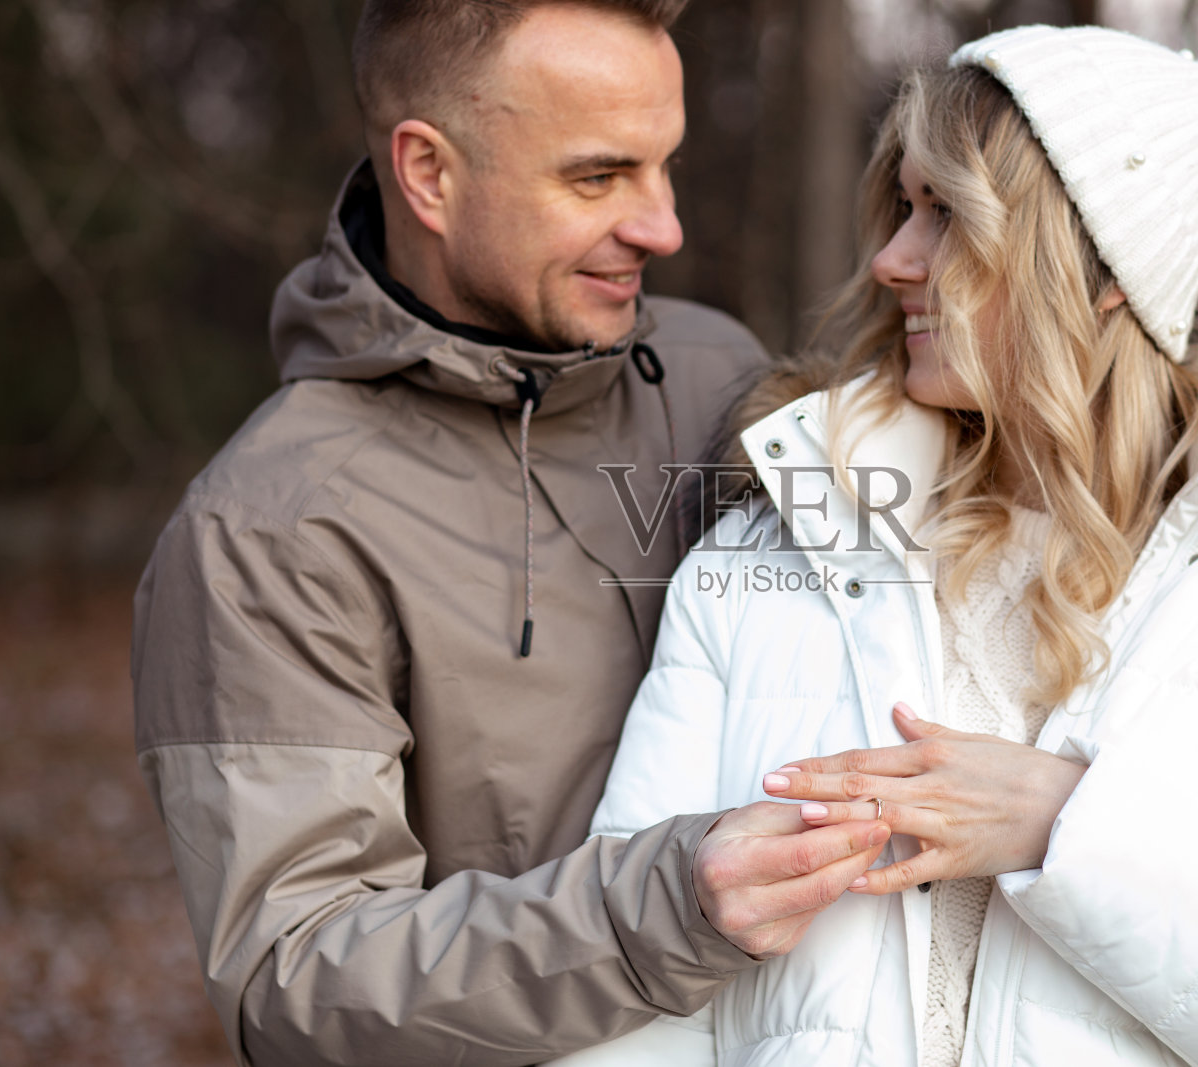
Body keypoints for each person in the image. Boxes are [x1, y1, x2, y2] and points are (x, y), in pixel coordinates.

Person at [559, 24, 1198, 1067]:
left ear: (1105, 271)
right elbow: (632, 995)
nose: (892, 259)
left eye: (946, 215)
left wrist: (1072, 829)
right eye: (903, 208)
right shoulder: (765, 560)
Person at [130, 2, 893, 1064]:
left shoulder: (724, 376)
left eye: (664, 166)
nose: (661, 225)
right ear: (429, 174)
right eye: (597, 177)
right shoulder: (267, 531)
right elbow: (292, 981)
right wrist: (660, 913)